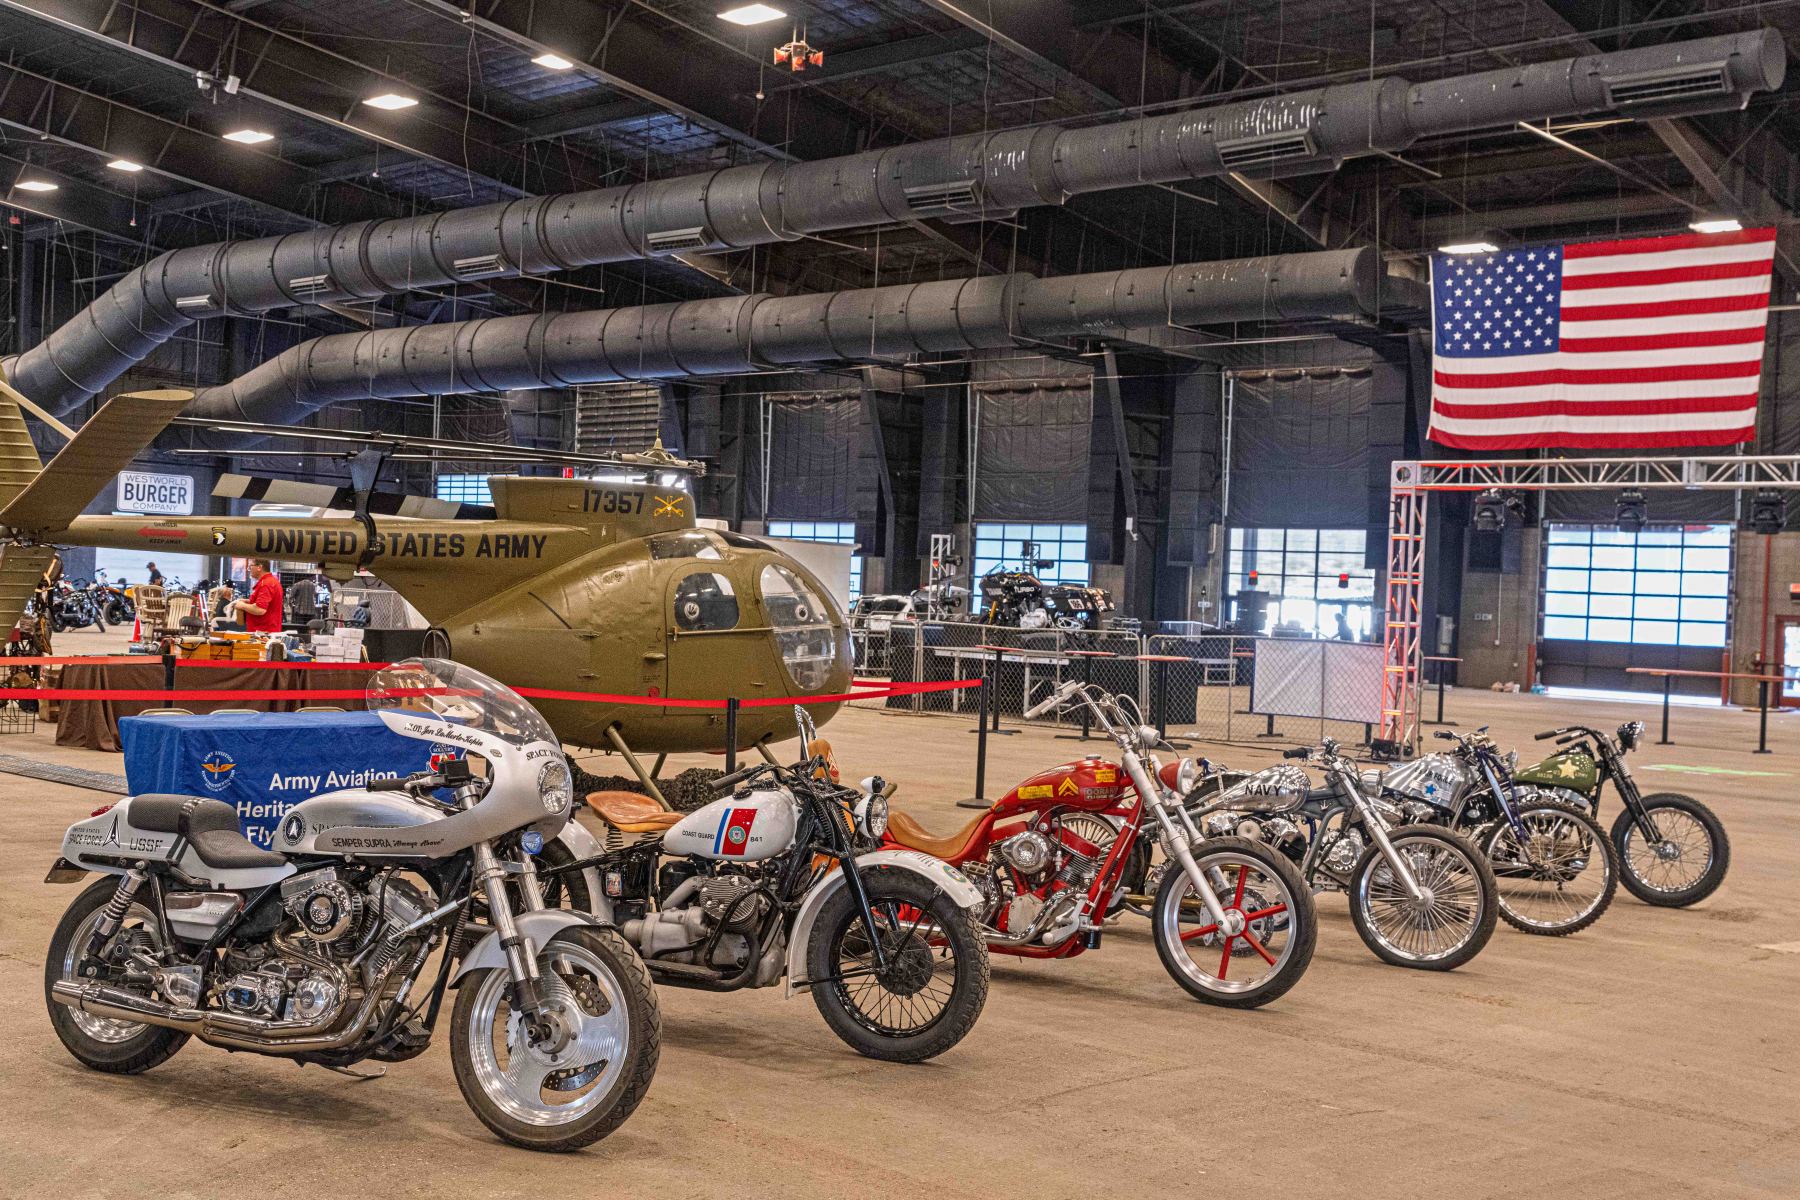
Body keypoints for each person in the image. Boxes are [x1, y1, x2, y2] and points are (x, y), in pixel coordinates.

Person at [228, 560, 284, 634]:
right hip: (264, 631)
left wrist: (242, 605)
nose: (248, 570)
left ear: (259, 567)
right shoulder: (269, 582)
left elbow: (260, 609)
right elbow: (266, 604)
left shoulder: (266, 584)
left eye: (250, 566)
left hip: (263, 633)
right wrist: (247, 601)